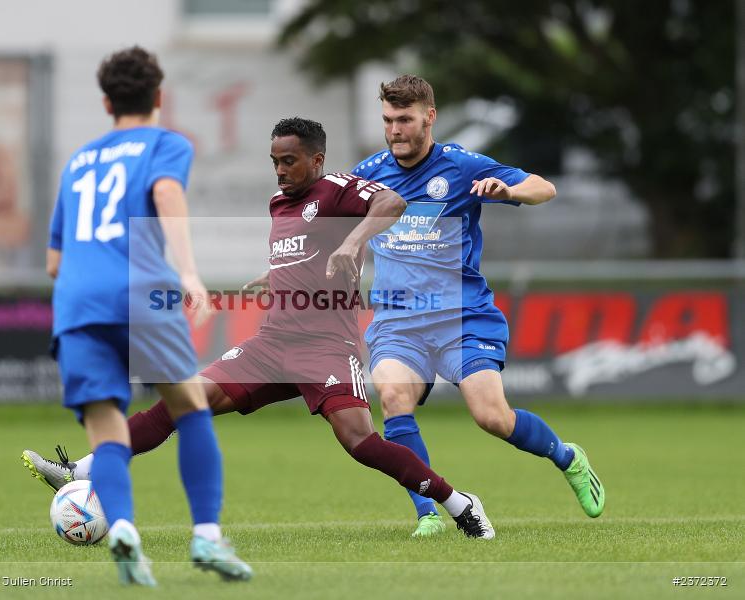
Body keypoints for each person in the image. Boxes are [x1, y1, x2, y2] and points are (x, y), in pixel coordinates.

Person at [24, 117, 497, 540]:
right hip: (273, 343)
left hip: (328, 345)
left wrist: (354, 240)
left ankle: (461, 503)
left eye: (289, 161)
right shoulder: (278, 202)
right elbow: (306, 250)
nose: (280, 170)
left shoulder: (336, 188)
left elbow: (392, 202)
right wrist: (278, 274)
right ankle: (81, 470)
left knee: (359, 441)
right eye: (274, 161)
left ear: (317, 159)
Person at [23, 46, 251, 586]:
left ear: (105, 102)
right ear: (159, 96)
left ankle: (123, 526)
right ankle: (207, 537)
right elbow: (167, 190)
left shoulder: (78, 161)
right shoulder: (165, 142)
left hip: (77, 303)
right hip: (141, 291)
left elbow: (53, 261)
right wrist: (190, 274)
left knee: (106, 431)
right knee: (190, 407)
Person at [351, 75, 604, 538]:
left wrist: (509, 193)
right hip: (398, 322)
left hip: (461, 318)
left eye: (405, 120)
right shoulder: (367, 175)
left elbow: (543, 187)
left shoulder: (462, 167)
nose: (395, 130)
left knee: (492, 417)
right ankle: (429, 513)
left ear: (429, 117)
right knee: (391, 399)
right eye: (387, 120)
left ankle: (567, 457)